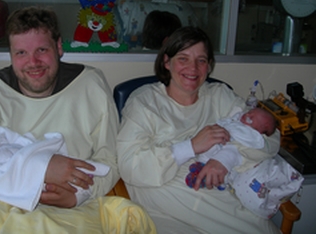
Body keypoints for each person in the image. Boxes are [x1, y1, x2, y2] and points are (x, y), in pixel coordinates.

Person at [0, 6, 156, 233]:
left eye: (42, 50)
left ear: (59, 47)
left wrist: (78, 196)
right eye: (21, 53)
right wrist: (39, 173)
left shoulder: (91, 84)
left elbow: (110, 160)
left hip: (72, 209)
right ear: (10, 55)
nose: (33, 63)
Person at [117, 27, 281, 233]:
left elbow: (270, 136)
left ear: (209, 66)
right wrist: (191, 146)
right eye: (183, 58)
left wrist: (226, 158)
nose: (193, 68)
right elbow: (129, 165)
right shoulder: (144, 103)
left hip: (222, 202)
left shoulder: (220, 97)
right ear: (167, 62)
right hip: (167, 211)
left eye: (201, 60)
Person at [0, 127, 110, 211]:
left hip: (39, 156)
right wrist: (41, 168)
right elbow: (12, 169)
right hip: (31, 169)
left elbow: (15, 145)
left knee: (78, 170)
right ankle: (88, 179)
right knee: (72, 178)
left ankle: (94, 174)